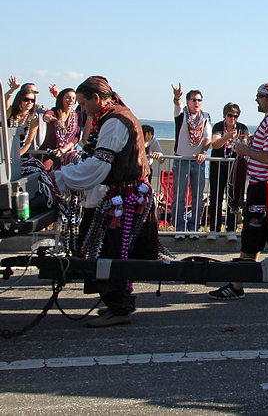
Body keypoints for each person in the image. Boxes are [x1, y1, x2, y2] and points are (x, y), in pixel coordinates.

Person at [54, 76, 159, 327]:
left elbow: (98, 166)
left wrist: (61, 177)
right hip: (124, 195)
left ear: (96, 98)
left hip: (124, 199)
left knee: (105, 253)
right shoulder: (115, 116)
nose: (82, 109)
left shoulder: (114, 121)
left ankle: (119, 308)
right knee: (113, 252)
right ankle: (120, 303)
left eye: (83, 103)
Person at [208, 81, 268, 300]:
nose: (256, 100)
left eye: (259, 96)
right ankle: (238, 284)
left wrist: (245, 150)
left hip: (266, 186)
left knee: (264, 233)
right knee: (267, 235)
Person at [171, 85, 212, 239]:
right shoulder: (182, 114)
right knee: (179, 195)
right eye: (193, 100)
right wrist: (177, 97)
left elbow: (208, 136)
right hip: (181, 160)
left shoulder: (205, 116)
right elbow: (177, 105)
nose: (196, 103)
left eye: (199, 100)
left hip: (198, 162)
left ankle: (194, 226)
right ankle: (179, 228)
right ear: (188, 101)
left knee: (198, 196)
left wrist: (203, 152)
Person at [206, 102, 250, 239]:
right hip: (218, 166)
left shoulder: (242, 128)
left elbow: (245, 147)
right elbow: (215, 144)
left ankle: (231, 229)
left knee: (234, 197)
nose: (233, 118)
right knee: (216, 196)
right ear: (225, 115)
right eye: (230, 115)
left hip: (235, 167)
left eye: (235, 116)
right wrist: (228, 136)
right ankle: (214, 229)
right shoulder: (219, 126)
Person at [41, 87, 82, 166]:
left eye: (73, 98)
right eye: (68, 98)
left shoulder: (77, 115)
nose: (71, 100)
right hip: (48, 154)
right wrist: (48, 118)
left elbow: (76, 138)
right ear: (61, 99)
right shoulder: (54, 112)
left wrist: (63, 150)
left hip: (65, 155)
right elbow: (46, 116)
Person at [5, 86, 39, 156]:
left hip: (20, 154)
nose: (29, 102)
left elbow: (28, 143)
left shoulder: (33, 119)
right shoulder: (10, 112)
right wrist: (12, 90)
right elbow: (4, 101)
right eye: (26, 100)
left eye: (32, 100)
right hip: (3, 151)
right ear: (19, 100)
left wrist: (16, 156)